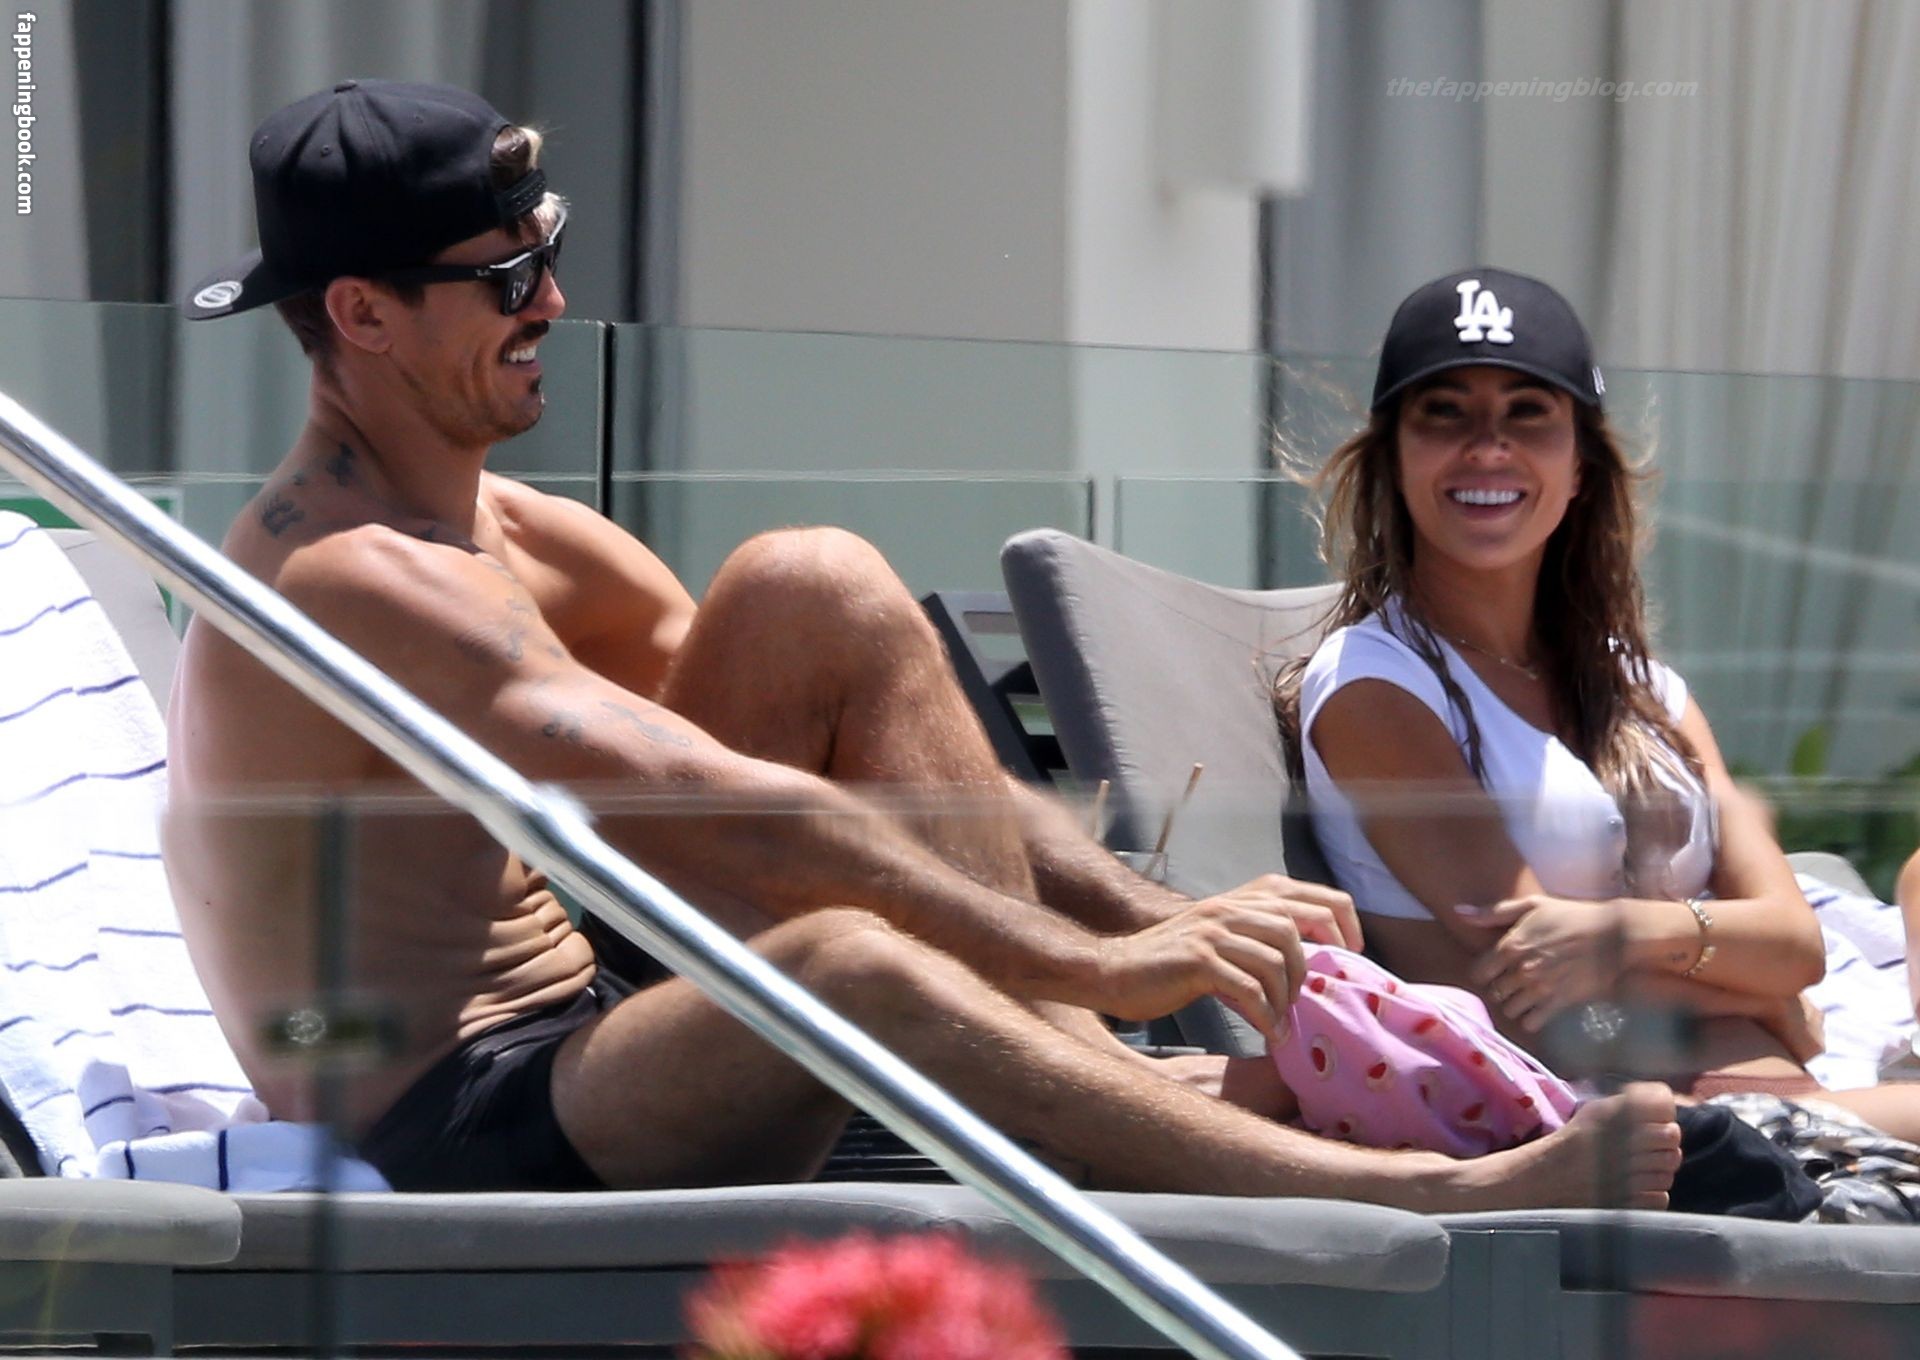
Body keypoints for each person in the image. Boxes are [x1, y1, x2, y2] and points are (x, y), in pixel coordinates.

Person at [164, 82, 1680, 1205]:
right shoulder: (346, 579)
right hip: (450, 1127)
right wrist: (1103, 959)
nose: (552, 300)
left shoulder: (518, 534)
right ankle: (1411, 1195)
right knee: (842, 961)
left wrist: (1150, 920)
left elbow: (877, 762)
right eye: (504, 279)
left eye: (546, 249)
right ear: (362, 314)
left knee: (813, 583)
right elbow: (720, 815)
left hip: (602, 1027)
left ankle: (1097, 1083)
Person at [1274, 267, 1920, 1142]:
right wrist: (1752, 991)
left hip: (1802, 1051)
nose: (1487, 448)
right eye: (1445, 413)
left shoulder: (1641, 687)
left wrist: (1618, 935)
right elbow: (1529, 994)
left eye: (1528, 413)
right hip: (1636, 1105)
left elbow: (1796, 945)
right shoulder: (1376, 689)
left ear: (1580, 464)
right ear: (1393, 456)